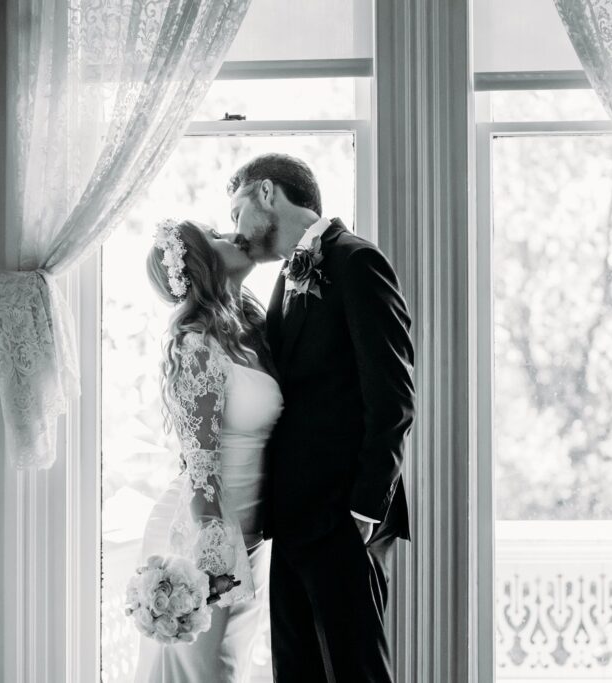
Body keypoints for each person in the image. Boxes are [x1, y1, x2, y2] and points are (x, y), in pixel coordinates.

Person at [229, 153, 415, 682]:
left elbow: (394, 397)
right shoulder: (284, 277)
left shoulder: (357, 261)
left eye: (238, 212)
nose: (238, 234)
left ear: (267, 193)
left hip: (340, 516)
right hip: (290, 519)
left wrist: (363, 510)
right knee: (296, 670)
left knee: (357, 672)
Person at [135, 218, 283, 682]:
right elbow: (201, 468)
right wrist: (218, 565)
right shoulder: (196, 345)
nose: (232, 235)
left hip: (252, 538)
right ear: (202, 264)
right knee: (210, 675)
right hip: (204, 536)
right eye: (216, 236)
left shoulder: (252, 332)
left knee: (229, 671)